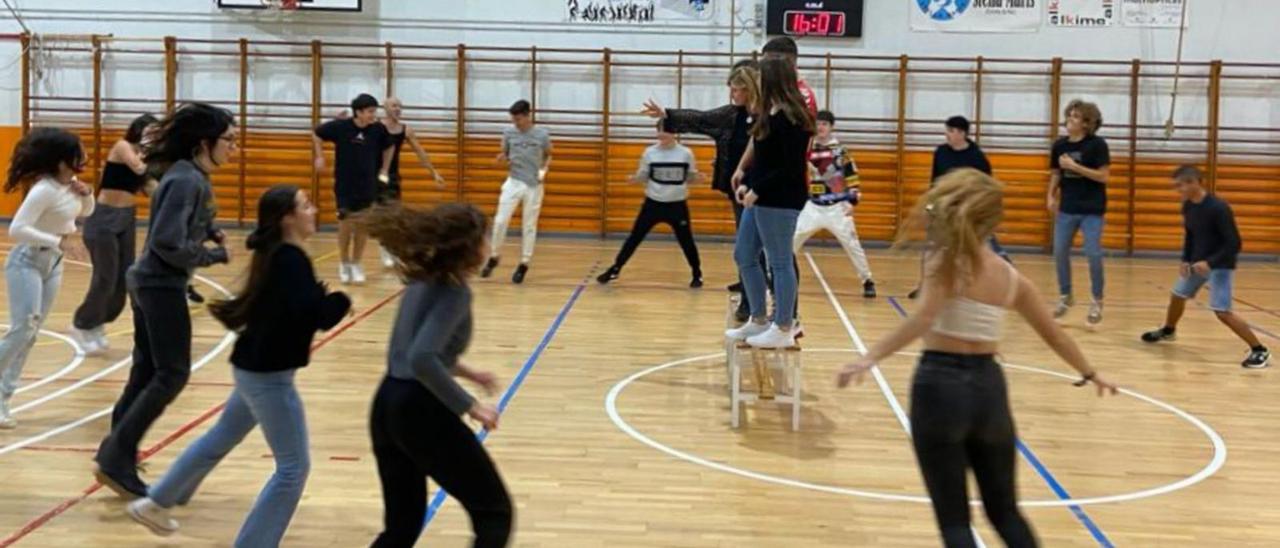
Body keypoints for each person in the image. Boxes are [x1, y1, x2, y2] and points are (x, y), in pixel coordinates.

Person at [837, 168, 1119, 548]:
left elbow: (922, 318)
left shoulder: (944, 262)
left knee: (955, 521)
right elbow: (1054, 334)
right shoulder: (1010, 277)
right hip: (989, 390)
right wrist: (1090, 372)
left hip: (939, 387)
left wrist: (868, 358)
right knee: (1005, 512)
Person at [125, 185, 350, 544]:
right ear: (287, 218)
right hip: (268, 377)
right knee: (293, 468)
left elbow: (293, 311)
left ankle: (156, 503)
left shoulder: (280, 255)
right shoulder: (289, 260)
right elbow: (315, 316)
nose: (314, 210)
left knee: (221, 436)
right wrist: (339, 300)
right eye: (306, 205)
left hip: (252, 369)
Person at [94, 102, 235, 498]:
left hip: (151, 283)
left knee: (146, 371)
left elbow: (189, 219)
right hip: (159, 284)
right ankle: (115, 456)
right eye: (228, 140)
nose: (233, 148)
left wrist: (211, 230)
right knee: (172, 373)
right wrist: (211, 255)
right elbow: (166, 241)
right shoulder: (187, 179)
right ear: (204, 143)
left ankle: (116, 452)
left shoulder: (189, 176)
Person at [364, 202, 512, 547]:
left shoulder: (421, 280)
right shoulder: (455, 292)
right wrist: (471, 405)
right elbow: (422, 357)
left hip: (387, 403)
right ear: (470, 246)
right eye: (486, 237)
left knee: (400, 528)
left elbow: (412, 350)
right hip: (419, 410)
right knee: (494, 513)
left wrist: (469, 372)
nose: (490, 242)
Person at [644, 60, 760, 319]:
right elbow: (699, 118)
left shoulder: (764, 116)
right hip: (738, 190)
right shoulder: (730, 115)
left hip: (762, 190)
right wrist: (667, 114)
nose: (733, 94)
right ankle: (750, 293)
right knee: (745, 245)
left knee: (753, 248)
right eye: (731, 89)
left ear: (751, 89)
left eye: (738, 90)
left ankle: (755, 302)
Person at [0, 128, 94, 429]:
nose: (85, 154)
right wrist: (58, 241)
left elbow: (84, 212)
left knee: (32, 333)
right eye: (79, 151)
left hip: (53, 264)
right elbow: (17, 229)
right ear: (63, 159)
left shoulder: (72, 185)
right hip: (26, 261)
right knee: (22, 329)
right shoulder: (43, 189)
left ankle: (3, 396)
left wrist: (88, 195)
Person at [724, 57, 814, 349]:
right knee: (744, 254)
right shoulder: (769, 112)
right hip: (762, 195)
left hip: (782, 198)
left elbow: (788, 166)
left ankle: (784, 324)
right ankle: (759, 318)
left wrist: (758, 189)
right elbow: (765, 159)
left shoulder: (792, 117)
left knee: (779, 261)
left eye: (761, 76)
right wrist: (748, 181)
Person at [1141, 166, 1270, 369]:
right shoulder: (1188, 206)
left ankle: (1259, 349)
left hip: (1220, 265)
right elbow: (1190, 235)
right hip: (1197, 263)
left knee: (1222, 312)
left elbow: (1234, 243)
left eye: (1180, 185)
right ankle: (1168, 330)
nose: (1178, 190)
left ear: (1194, 183)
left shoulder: (1218, 208)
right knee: (1177, 295)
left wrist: (1210, 263)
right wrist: (1186, 259)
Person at [68, 114, 157, 355]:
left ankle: (97, 323)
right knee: (105, 277)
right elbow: (138, 166)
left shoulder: (145, 160)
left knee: (123, 279)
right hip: (104, 218)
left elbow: (154, 189)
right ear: (137, 130)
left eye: (156, 132)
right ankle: (81, 324)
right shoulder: (123, 147)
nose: (152, 136)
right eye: (149, 131)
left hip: (127, 218)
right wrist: (158, 156)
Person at [910, 115, 1006, 299]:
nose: (947, 134)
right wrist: (930, 203)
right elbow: (935, 180)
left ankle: (975, 286)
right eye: (947, 130)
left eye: (950, 131)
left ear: (961, 133)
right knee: (932, 249)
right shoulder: (940, 152)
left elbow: (987, 185)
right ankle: (925, 285)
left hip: (966, 210)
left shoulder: (976, 157)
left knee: (969, 250)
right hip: (942, 207)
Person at [597, 122, 704, 287]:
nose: (662, 135)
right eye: (659, 131)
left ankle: (697, 274)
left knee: (686, 240)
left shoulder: (685, 153)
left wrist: (698, 178)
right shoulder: (650, 152)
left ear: (674, 132)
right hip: (653, 203)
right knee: (634, 238)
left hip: (677, 205)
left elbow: (690, 177)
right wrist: (634, 179)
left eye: (666, 131)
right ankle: (615, 269)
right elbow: (644, 175)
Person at [793, 110, 877, 298]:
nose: (820, 127)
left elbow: (851, 174)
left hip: (837, 207)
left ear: (831, 127)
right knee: (791, 240)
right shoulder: (807, 149)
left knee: (852, 244)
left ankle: (867, 280)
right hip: (812, 206)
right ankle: (774, 277)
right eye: (818, 124)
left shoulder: (840, 150)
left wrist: (852, 198)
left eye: (824, 124)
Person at [313, 93, 394, 285]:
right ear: (358, 112)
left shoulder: (378, 130)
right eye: (369, 112)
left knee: (363, 224)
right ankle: (344, 263)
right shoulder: (341, 127)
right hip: (344, 184)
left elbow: (389, 147)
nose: (373, 115)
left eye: (374, 111)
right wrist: (320, 156)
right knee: (346, 224)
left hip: (368, 184)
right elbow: (317, 133)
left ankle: (357, 263)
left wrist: (384, 168)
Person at [1047, 99, 1110, 324]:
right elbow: (1055, 173)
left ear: (1086, 123)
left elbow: (1103, 176)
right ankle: (1066, 295)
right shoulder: (1060, 145)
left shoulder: (1097, 145)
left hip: (1092, 209)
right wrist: (1051, 195)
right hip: (1067, 208)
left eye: (1075, 117)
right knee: (1059, 251)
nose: (1069, 120)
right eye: (1069, 115)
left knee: (1093, 253)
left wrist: (1075, 167)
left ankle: (1097, 300)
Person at [480, 99, 552, 284]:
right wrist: (501, 157)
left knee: (529, 226)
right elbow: (505, 152)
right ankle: (494, 257)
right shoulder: (509, 133)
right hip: (514, 181)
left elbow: (548, 154)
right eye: (514, 119)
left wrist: (543, 170)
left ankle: (524, 263)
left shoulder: (541, 135)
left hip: (534, 185)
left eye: (519, 119)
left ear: (528, 116)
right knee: (500, 221)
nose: (516, 123)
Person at [376, 96, 446, 268]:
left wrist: (434, 172)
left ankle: (389, 249)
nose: (398, 108)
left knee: (393, 214)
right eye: (394, 105)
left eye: (400, 106)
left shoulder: (405, 130)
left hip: (391, 177)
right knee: (379, 215)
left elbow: (420, 152)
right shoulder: (376, 127)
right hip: (374, 175)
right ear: (385, 108)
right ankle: (383, 248)